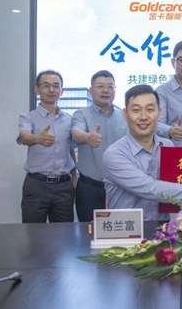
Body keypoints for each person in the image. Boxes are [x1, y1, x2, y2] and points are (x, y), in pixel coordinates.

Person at [103, 85, 182, 221]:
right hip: (126, 229)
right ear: (125, 114)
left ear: (159, 113)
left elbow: (176, 185)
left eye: (150, 110)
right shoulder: (114, 154)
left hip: (163, 227)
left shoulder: (167, 146)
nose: (143, 117)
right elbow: (150, 188)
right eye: (136, 110)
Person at [18, 70, 76, 223]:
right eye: (46, 86)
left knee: (64, 234)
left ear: (61, 90)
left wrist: (74, 178)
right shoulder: (28, 117)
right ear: (37, 90)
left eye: (56, 86)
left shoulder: (69, 120)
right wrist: (38, 138)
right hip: (37, 185)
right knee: (33, 233)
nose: (51, 90)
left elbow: (71, 150)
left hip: (63, 186)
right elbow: (24, 137)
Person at [71, 70, 127, 222]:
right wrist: (88, 137)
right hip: (90, 188)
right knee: (87, 231)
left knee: (120, 230)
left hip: (120, 188)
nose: (105, 90)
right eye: (100, 86)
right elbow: (76, 133)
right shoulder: (81, 114)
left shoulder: (125, 115)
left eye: (110, 86)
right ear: (91, 90)